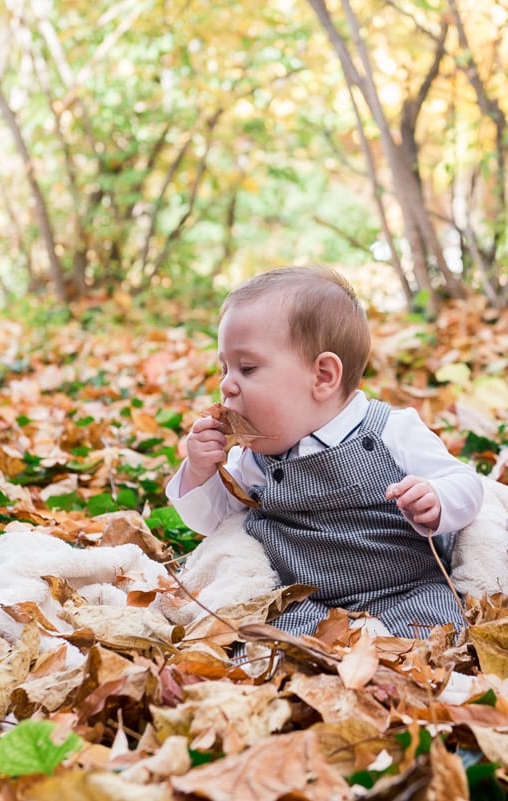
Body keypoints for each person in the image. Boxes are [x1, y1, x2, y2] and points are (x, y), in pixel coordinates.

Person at [168, 265, 483, 639]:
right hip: (302, 599)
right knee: (261, 635)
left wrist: (437, 500)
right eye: (224, 368)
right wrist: (199, 472)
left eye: (247, 368)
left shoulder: (390, 431)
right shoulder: (252, 458)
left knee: (440, 631)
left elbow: (466, 483)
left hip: (405, 587)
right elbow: (211, 521)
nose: (226, 385)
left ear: (323, 377)